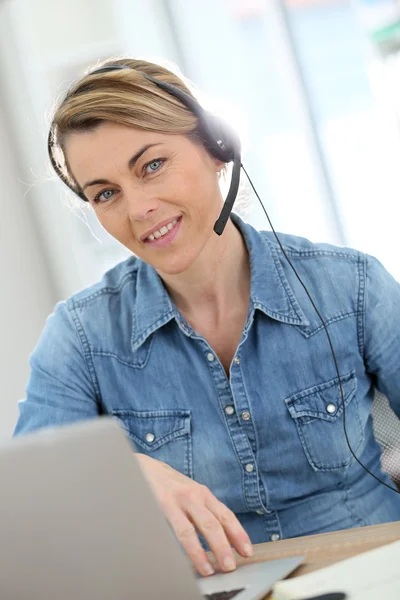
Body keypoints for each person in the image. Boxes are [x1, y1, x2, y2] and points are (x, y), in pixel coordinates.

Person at [14, 57, 400, 578]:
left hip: (370, 574)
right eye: (105, 193)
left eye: (151, 165)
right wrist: (126, 472)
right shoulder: (81, 336)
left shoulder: (350, 286)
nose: (138, 208)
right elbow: (27, 502)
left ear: (217, 150)